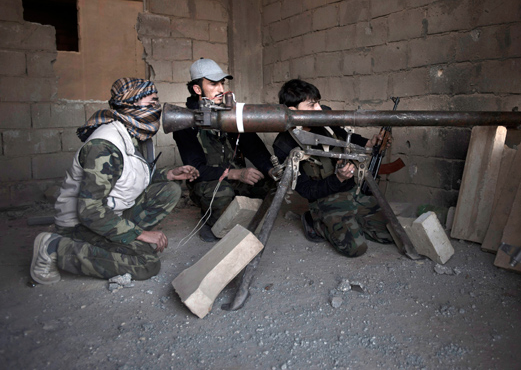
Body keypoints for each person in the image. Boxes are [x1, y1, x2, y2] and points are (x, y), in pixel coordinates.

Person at [30, 78, 199, 285]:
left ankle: (121, 239)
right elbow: (89, 211)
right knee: (146, 264)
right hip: (81, 224)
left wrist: (169, 174)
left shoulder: (134, 134)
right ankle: (54, 247)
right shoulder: (105, 145)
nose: (157, 108)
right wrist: (139, 234)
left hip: (109, 212)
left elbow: (126, 177)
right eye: (152, 102)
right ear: (132, 103)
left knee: (169, 190)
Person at [272, 79, 394, 257]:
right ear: (292, 111)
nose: (320, 110)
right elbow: (306, 190)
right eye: (312, 105)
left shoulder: (325, 119)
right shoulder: (283, 145)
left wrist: (371, 143)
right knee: (356, 248)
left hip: (352, 192)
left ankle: (351, 220)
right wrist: (338, 179)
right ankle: (315, 222)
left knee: (392, 232)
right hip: (324, 201)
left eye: (319, 103)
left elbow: (346, 137)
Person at [172, 58, 273, 242]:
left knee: (270, 185)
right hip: (210, 181)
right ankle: (210, 219)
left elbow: (254, 147)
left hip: (237, 176)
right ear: (197, 89)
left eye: (222, 83)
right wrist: (236, 174)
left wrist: (271, 169)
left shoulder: (229, 113)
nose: (221, 89)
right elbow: (196, 169)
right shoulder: (185, 121)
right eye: (213, 84)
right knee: (222, 195)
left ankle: (236, 210)